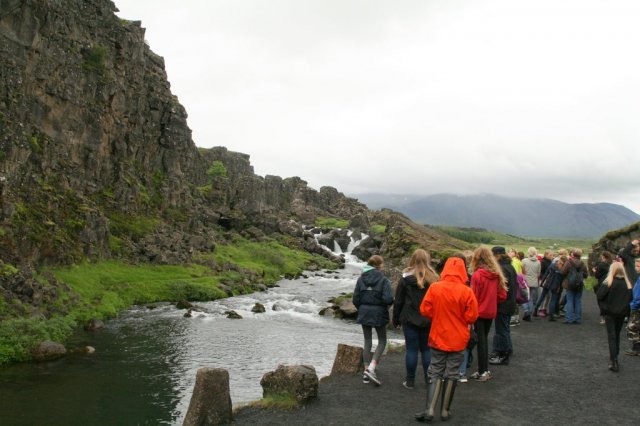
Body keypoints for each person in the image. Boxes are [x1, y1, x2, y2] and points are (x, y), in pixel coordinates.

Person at [415, 257, 478, 422]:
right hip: (458, 339)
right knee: (452, 373)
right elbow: (472, 317)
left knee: (435, 371)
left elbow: (424, 310)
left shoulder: (435, 287)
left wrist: (437, 315)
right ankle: (444, 411)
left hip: (438, 336)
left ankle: (429, 410)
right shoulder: (467, 291)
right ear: (462, 272)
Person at [392, 249, 439, 389]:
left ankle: (410, 381)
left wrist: (396, 320)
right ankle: (428, 380)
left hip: (409, 318)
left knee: (411, 350)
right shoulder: (435, 279)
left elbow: (398, 301)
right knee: (426, 350)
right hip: (428, 319)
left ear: (412, 259)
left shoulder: (405, 278)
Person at [353, 255, 393, 386]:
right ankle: (371, 367)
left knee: (367, 341)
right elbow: (388, 299)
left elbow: (355, 299)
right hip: (379, 313)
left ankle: (366, 372)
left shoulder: (361, 279)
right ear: (379, 266)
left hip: (364, 312)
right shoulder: (384, 280)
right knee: (382, 341)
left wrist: (363, 308)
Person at [468, 246, 507, 382]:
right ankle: (482, 370)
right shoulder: (496, 274)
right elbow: (502, 295)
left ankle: (483, 371)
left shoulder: (477, 275)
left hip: (479, 312)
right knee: (483, 339)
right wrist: (491, 300)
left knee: (481, 341)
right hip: (490, 311)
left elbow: (473, 297)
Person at [596, 262, 632, 372]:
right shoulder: (628, 284)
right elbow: (630, 300)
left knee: (612, 336)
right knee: (617, 335)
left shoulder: (608, 283)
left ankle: (614, 361)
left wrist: (604, 309)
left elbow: (599, 296)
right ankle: (615, 357)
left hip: (610, 313)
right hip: (621, 314)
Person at [489, 246, 517, 366]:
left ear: (497, 255)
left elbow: (501, 289)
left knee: (501, 330)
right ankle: (507, 349)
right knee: (505, 328)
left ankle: (502, 355)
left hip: (503, 304)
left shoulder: (502, 269)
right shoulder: (510, 266)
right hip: (510, 302)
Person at [534, 255, 568, 321]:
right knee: (553, 299)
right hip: (556, 285)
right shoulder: (563, 269)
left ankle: (535, 310)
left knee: (542, 296)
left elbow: (546, 274)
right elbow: (563, 279)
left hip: (548, 283)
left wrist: (542, 283)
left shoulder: (552, 265)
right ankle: (551, 315)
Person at [561, 248, 588, 324]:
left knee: (569, 300)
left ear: (573, 254)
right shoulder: (582, 264)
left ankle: (569, 319)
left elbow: (563, 272)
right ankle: (578, 319)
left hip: (570, 284)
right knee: (578, 301)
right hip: (579, 284)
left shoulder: (568, 262)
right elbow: (586, 275)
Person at [592, 251, 613, 324]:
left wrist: (594, 271)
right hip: (611, 283)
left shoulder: (601, 265)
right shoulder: (611, 264)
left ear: (603, 256)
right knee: (609, 300)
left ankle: (603, 317)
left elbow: (597, 276)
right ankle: (610, 316)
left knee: (601, 300)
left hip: (602, 284)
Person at [625, 258, 640, 356]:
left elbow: (638, 296)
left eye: (638, 266)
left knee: (633, 327)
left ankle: (636, 349)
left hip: (637, 307)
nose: (636, 268)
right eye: (636, 265)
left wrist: (633, 305)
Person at [521, 247, 541, 321]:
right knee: (531, 299)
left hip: (525, 281)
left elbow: (521, 271)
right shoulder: (538, 262)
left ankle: (526, 311)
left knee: (523, 298)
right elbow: (538, 274)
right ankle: (529, 313)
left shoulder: (524, 261)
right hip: (534, 282)